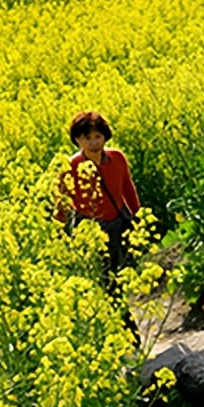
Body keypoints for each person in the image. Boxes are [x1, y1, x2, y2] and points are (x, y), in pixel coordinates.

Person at [58, 111, 141, 280]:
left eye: (98, 136)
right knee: (98, 274)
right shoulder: (71, 166)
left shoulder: (117, 157)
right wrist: (59, 231)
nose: (93, 143)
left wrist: (138, 216)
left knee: (124, 270)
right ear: (77, 140)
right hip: (88, 228)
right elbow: (62, 199)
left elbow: (127, 187)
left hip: (118, 221)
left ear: (105, 137)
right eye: (87, 138)